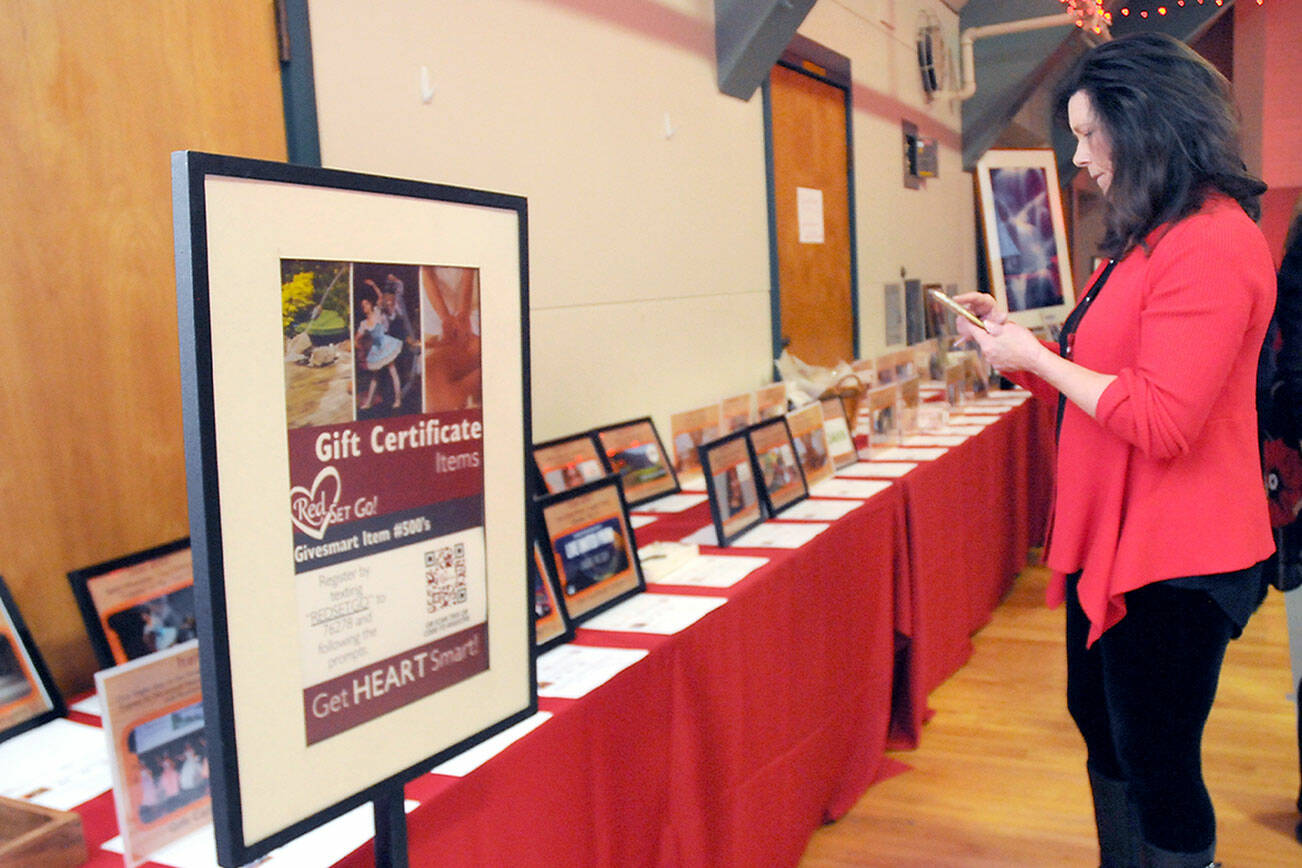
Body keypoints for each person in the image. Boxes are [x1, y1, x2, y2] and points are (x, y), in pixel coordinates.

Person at [954, 33, 1274, 868]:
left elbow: (1163, 419)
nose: (1078, 154)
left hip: (1181, 552)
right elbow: (1095, 378)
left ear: (1145, 128)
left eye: (1089, 133)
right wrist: (1019, 348)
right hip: (1126, 536)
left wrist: (1038, 358)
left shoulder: (1212, 239)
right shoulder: (1147, 236)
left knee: (1159, 760)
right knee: (1103, 726)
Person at [354, 293, 403, 411]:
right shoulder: (363, 324)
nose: (365, 307)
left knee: (393, 372)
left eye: (366, 304)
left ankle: (398, 400)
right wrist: (358, 345)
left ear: (370, 305)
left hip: (386, 344)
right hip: (376, 349)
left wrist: (374, 285)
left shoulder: (377, 312)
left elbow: (381, 297)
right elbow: (357, 338)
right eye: (363, 306)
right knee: (375, 376)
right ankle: (369, 403)